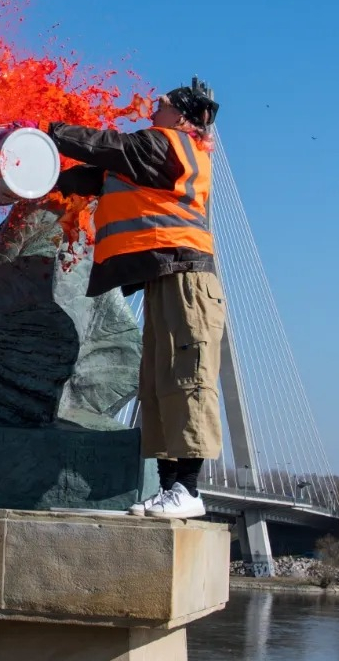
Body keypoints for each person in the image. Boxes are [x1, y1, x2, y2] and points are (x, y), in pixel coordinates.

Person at [49, 80, 224, 519]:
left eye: (159, 105)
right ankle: (170, 490)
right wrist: (31, 168)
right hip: (163, 277)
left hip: (187, 277)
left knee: (188, 376)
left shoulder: (168, 146)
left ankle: (189, 489)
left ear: (181, 117)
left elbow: (106, 146)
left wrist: (48, 127)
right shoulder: (141, 159)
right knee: (158, 384)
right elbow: (85, 176)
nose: (151, 111)